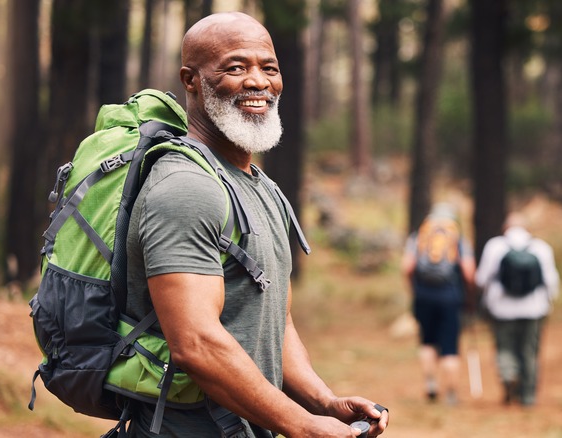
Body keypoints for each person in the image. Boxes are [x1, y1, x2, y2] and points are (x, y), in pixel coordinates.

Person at [124, 12, 389, 437]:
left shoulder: (260, 186)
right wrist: (301, 426)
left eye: (269, 67)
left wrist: (323, 402)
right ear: (190, 80)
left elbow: (272, 321)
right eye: (235, 67)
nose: (258, 81)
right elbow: (195, 344)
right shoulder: (185, 188)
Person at [474, 212, 559, 407]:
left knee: (504, 347)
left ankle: (508, 375)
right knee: (529, 351)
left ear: (506, 228)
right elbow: (551, 281)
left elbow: (481, 279)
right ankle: (528, 396)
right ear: (527, 228)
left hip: (501, 309)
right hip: (534, 309)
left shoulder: (495, 246)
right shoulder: (541, 248)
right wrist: (549, 303)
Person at [401, 203, 476, 406]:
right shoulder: (458, 239)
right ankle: (451, 394)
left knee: (427, 342)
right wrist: (469, 295)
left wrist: (414, 290)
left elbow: (407, 267)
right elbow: (469, 272)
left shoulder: (419, 237)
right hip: (450, 297)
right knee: (450, 347)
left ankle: (431, 385)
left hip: (423, 296)